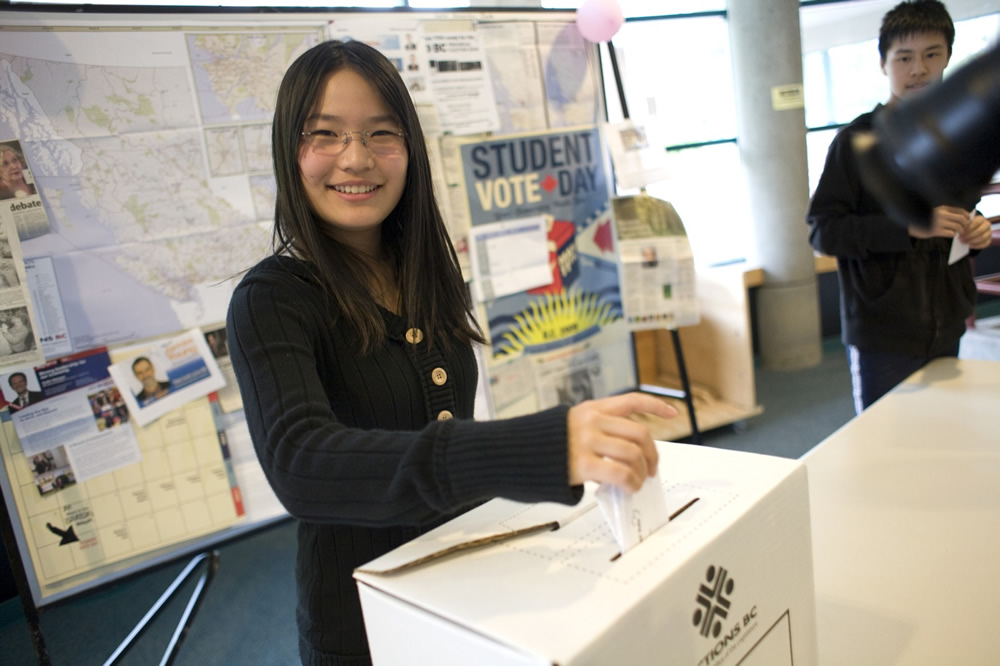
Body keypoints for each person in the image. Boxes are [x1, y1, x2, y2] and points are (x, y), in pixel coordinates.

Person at [226, 39, 676, 665]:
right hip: (361, 618)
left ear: (409, 149)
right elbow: (301, 463)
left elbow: (440, 428)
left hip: (466, 584)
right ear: (288, 151)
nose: (355, 160)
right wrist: (536, 448)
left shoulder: (425, 272)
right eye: (324, 134)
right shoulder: (270, 298)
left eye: (381, 134)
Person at [806, 0, 993, 414]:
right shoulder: (856, 143)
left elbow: (960, 215)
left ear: (948, 57)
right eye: (904, 58)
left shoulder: (959, 138)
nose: (919, 70)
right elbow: (823, 232)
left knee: (942, 435)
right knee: (885, 448)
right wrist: (908, 227)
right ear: (882, 64)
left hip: (948, 319)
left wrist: (974, 230)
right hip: (881, 330)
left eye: (932, 55)